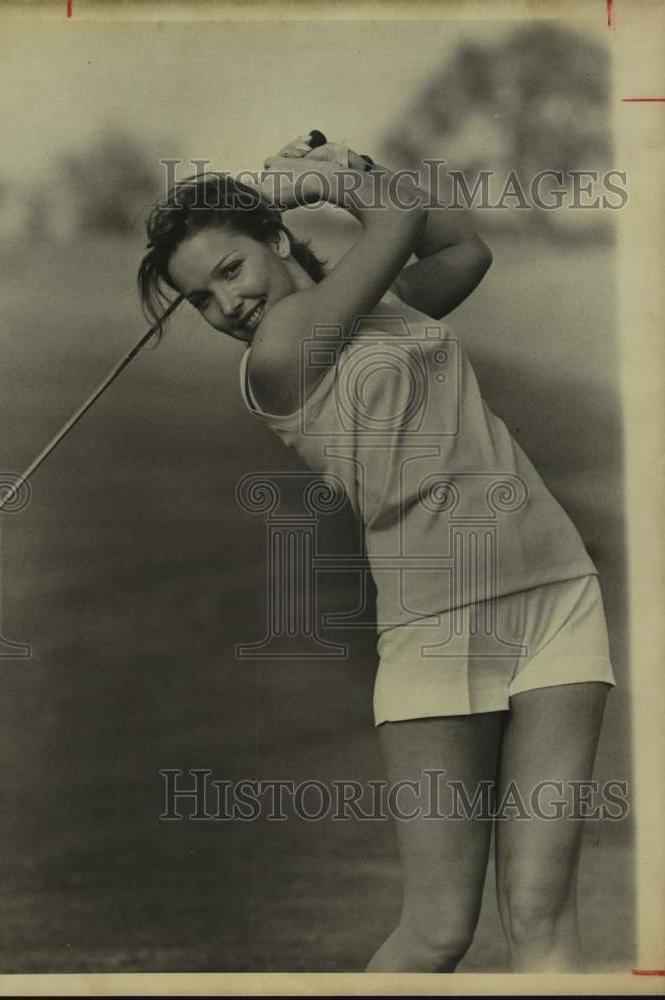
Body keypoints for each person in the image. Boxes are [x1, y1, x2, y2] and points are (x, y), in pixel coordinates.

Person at [137, 136, 616, 973]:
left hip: (556, 589)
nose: (226, 304)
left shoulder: (384, 306)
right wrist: (322, 181)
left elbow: (464, 246)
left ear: (275, 242)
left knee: (545, 925)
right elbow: (397, 217)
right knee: (437, 931)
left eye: (229, 269)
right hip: (437, 621)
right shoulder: (279, 356)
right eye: (201, 298)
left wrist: (349, 163)